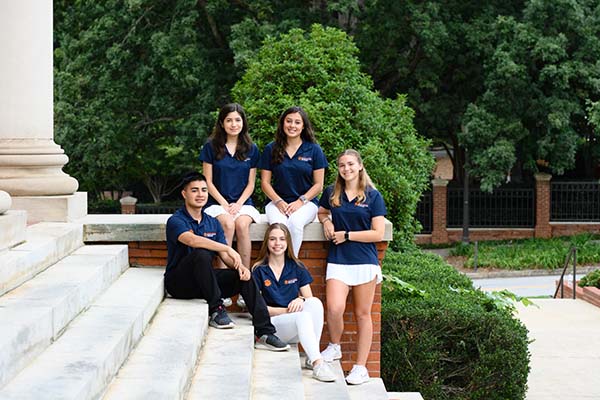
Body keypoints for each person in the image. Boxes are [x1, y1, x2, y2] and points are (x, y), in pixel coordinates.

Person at [164, 171, 289, 351]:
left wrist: (239, 267)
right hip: (180, 283)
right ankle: (217, 310)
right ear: (184, 194)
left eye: (204, 190)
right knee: (201, 254)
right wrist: (226, 247)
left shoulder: (213, 223)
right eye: (194, 190)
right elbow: (191, 240)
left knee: (245, 276)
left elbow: (224, 257)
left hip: (205, 281)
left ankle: (264, 332)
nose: (200, 194)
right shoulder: (176, 220)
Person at [317, 149, 387, 385]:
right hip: (338, 260)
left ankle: (360, 368)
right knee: (335, 308)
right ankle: (335, 346)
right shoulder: (331, 192)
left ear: (359, 166)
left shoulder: (372, 196)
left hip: (365, 261)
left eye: (350, 164)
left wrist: (347, 235)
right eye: (341, 165)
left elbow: (377, 233)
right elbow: (322, 211)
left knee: (362, 314)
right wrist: (326, 221)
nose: (346, 169)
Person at [252, 223, 336, 382]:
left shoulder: (297, 267)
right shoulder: (258, 270)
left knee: (315, 303)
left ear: (288, 242)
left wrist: (300, 299)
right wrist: (286, 311)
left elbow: (309, 300)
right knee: (302, 317)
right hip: (271, 326)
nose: (277, 243)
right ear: (267, 242)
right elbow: (257, 309)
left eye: (282, 239)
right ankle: (318, 364)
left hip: (293, 326)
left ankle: (312, 358)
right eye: (273, 239)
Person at [200, 103, 260, 308]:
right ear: (222, 123)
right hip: (217, 202)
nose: (234, 124)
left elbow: (252, 183)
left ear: (243, 123)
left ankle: (244, 283)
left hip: (243, 202)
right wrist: (225, 204)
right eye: (229, 120)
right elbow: (208, 181)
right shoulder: (211, 147)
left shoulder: (252, 149)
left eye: (237, 120)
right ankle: (223, 285)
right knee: (226, 225)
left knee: (242, 225)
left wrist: (239, 204)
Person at [259, 106, 328, 257]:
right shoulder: (271, 149)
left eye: (297, 122)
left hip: (306, 203)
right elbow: (265, 183)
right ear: (282, 123)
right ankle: (276, 266)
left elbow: (318, 185)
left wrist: (300, 201)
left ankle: (290, 266)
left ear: (303, 126)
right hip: (276, 203)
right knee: (279, 229)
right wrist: (278, 201)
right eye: (288, 121)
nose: (292, 125)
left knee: (295, 224)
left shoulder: (314, 150)